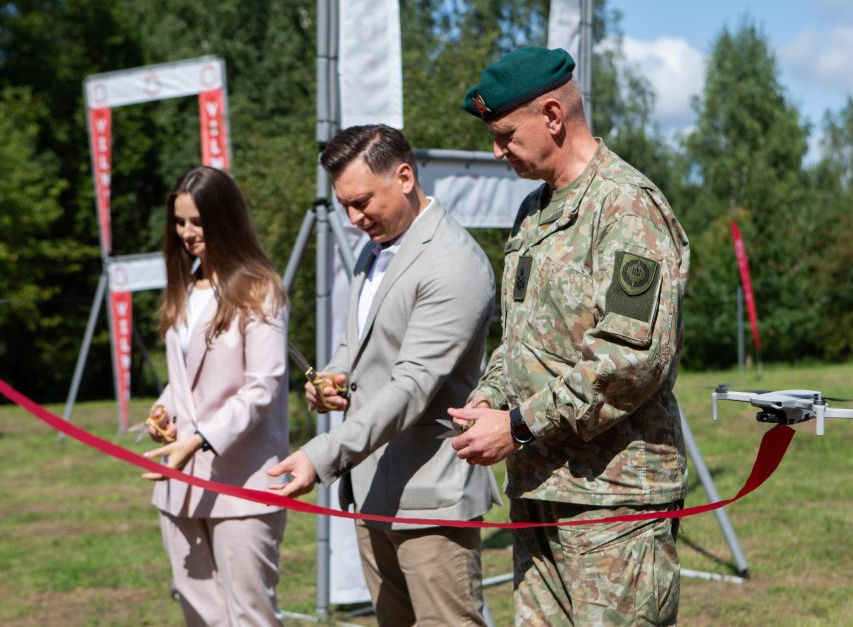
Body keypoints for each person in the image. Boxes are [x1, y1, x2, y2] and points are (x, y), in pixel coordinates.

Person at [448, 47, 690, 626]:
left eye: (506, 134)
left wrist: (519, 426)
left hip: (614, 503)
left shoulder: (626, 208)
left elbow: (629, 362)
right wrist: (491, 396)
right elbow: (524, 336)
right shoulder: (534, 212)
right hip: (540, 489)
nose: (497, 151)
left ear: (553, 116)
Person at [267, 124, 500, 627]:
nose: (354, 219)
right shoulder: (374, 250)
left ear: (405, 176)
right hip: (373, 485)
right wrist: (332, 376)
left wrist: (322, 453)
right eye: (345, 205)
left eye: (363, 201)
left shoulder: (452, 263)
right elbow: (361, 345)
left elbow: (412, 387)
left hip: (431, 494)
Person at [142, 166, 289, 626]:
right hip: (180, 483)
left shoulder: (259, 289)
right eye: (180, 222)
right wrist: (165, 407)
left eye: (197, 222)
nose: (187, 233)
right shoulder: (185, 286)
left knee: (250, 614)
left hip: (242, 481)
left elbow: (263, 384)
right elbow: (185, 376)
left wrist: (200, 437)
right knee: (200, 613)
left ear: (225, 219)